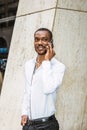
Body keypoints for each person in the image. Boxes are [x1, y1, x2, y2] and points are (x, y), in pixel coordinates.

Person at [21, 28, 66, 130]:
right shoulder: (28, 64)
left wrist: (46, 62)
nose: (39, 42)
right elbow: (27, 91)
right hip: (28, 124)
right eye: (36, 39)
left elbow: (48, 88)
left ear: (51, 43)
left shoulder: (59, 67)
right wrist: (24, 112)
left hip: (47, 125)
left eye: (44, 39)